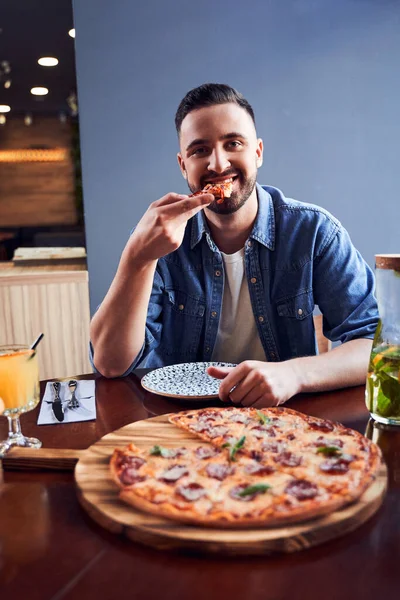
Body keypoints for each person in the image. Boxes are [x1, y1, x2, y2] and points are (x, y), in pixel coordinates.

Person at [90, 83, 378, 407]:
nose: (217, 164)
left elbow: (376, 345)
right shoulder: (158, 239)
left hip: (281, 424)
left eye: (233, 143)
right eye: (199, 150)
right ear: (183, 165)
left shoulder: (314, 232)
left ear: (257, 152)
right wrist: (137, 258)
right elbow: (111, 364)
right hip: (175, 426)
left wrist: (293, 374)